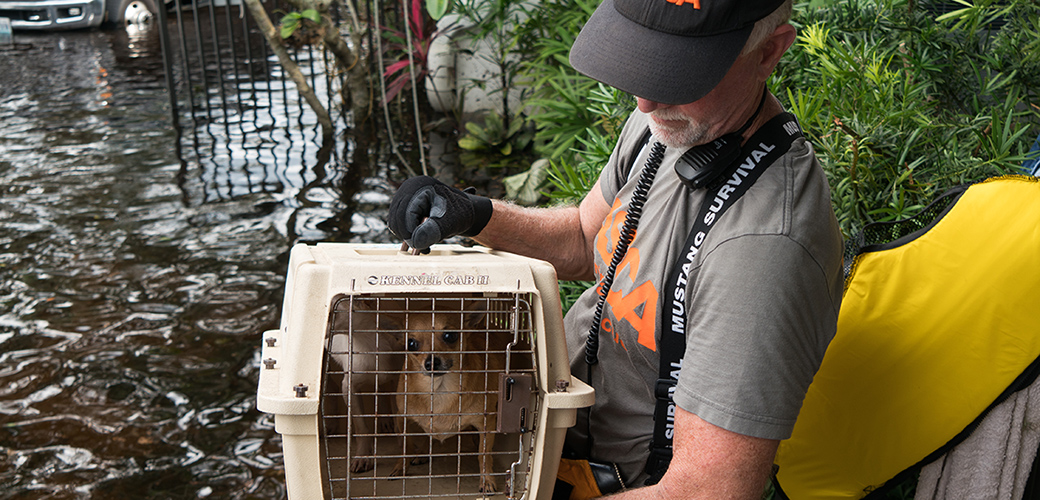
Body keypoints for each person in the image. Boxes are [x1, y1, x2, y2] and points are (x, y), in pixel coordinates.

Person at [387, 0, 844, 497]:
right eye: (642, 60)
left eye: (678, 72)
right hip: (552, 435)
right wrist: (473, 214)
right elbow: (588, 239)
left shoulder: (763, 251)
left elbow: (705, 491)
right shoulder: (676, 124)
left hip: (622, 484)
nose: (644, 101)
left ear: (768, 52)